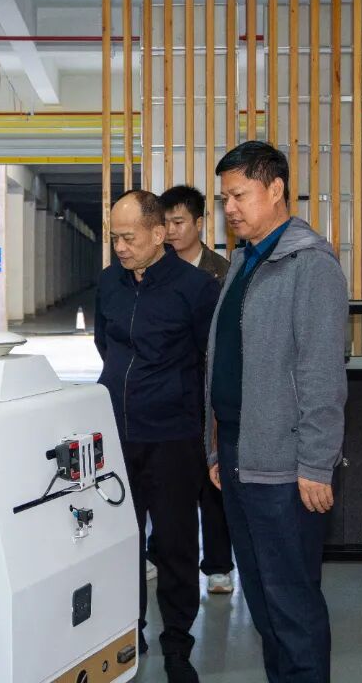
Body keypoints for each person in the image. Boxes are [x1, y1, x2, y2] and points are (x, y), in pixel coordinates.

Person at [206, 141, 348, 683]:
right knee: (264, 602)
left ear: (276, 189)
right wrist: (216, 446)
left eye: (239, 195)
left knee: (292, 601)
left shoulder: (310, 265)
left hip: (285, 465)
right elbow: (226, 359)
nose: (230, 208)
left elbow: (322, 373)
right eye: (224, 198)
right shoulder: (245, 261)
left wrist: (316, 463)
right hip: (239, 452)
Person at [94, 189, 220, 683]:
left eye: (129, 238)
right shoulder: (109, 283)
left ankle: (178, 643)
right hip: (117, 435)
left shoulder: (196, 289)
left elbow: (208, 362)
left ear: (159, 233)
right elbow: (105, 345)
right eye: (115, 238)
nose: (120, 248)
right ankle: (131, 629)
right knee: (122, 540)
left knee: (174, 545)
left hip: (173, 438)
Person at [156, 184, 236, 597]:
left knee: (213, 480)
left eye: (179, 222)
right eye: (165, 223)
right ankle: (160, 555)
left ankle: (219, 565)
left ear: (200, 223)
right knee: (168, 482)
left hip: (209, 390)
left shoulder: (221, 272)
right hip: (169, 391)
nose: (171, 231)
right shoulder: (157, 270)